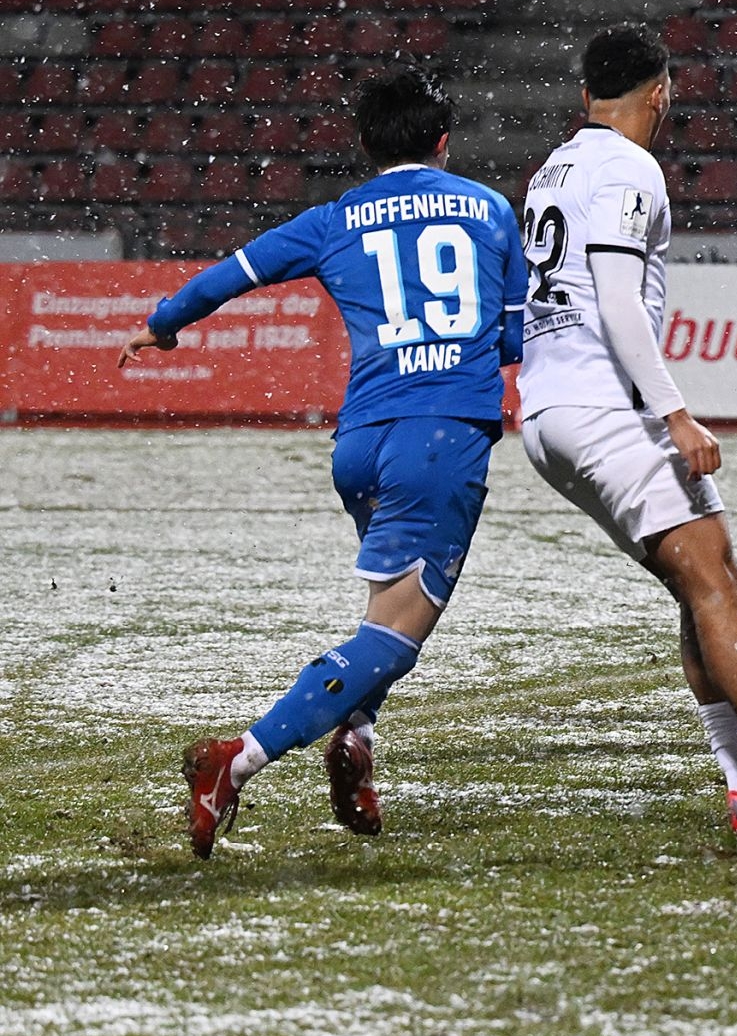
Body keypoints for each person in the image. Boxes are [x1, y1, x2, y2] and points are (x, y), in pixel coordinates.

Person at [118, 67, 528, 858]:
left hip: (362, 440)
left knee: (382, 618)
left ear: (368, 147)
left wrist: (164, 324)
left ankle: (358, 736)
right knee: (398, 635)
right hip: (439, 437)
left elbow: (233, 272)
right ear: (443, 142)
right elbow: (513, 338)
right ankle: (235, 761)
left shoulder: (337, 217)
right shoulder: (490, 209)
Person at [516, 23, 737, 855]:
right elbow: (614, 300)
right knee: (720, 586)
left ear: (584, 97)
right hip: (607, 407)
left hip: (548, 410)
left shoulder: (554, 166)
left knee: (701, 580)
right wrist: (674, 411)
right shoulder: (628, 165)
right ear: (661, 92)